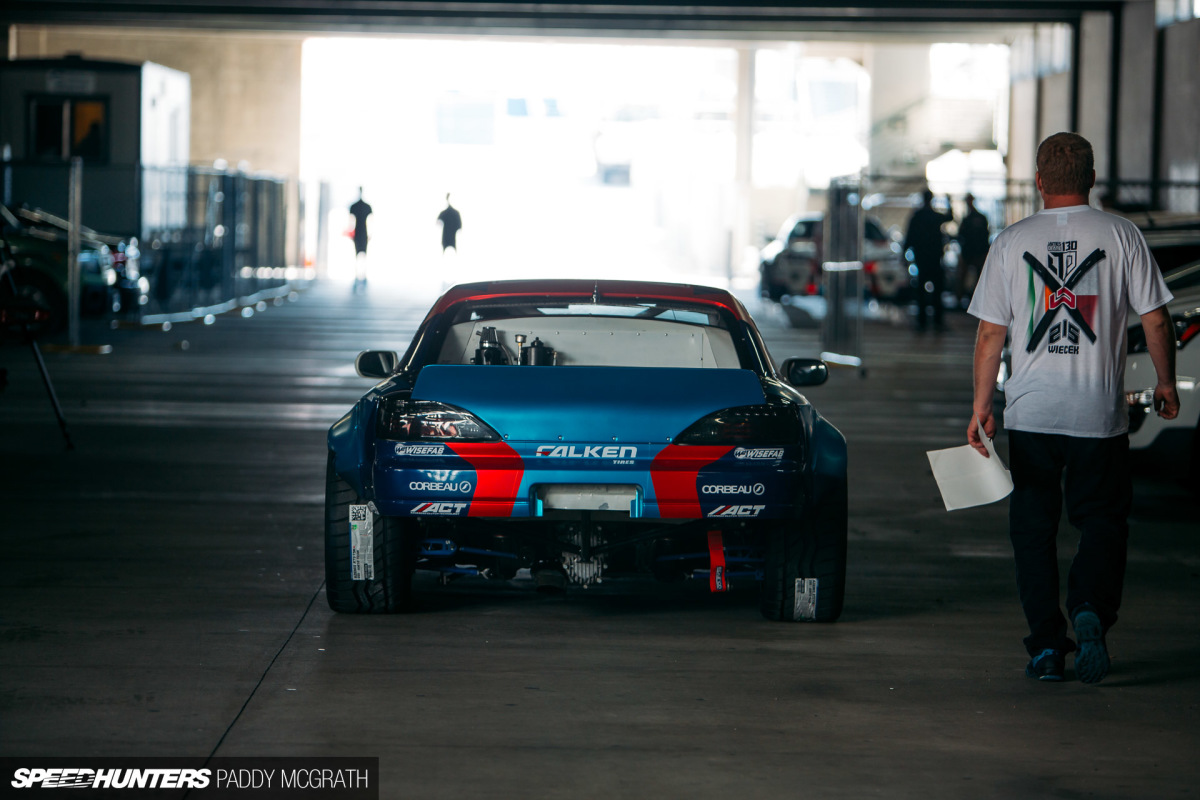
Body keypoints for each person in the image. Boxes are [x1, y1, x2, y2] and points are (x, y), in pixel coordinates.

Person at [967, 132, 1179, 684]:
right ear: (1091, 179)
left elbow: (991, 334)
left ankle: (1044, 646)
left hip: (1032, 415)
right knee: (1103, 521)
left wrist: (982, 406)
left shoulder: (1012, 242)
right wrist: (1165, 383)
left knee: (1033, 531)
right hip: (1098, 415)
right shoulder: (1121, 234)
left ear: (1039, 181)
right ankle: (1089, 609)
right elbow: (1156, 319)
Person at [904, 188, 953, 331]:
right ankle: (937, 321)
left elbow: (909, 237)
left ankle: (922, 321)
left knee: (921, 290)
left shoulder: (917, 216)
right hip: (935, 258)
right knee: (937, 291)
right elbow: (949, 217)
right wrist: (949, 202)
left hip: (921, 258)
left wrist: (905, 255)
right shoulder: (934, 216)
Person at [955, 193, 990, 306]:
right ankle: (975, 301)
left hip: (972, 252)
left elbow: (961, 236)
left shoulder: (969, 219)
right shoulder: (979, 218)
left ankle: (969, 300)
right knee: (975, 277)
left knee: (972, 277)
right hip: (975, 252)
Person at [349, 188, 372, 286]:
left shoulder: (355, 206)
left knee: (360, 254)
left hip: (360, 232)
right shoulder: (365, 206)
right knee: (360, 254)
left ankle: (361, 274)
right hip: (361, 232)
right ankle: (359, 274)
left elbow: (351, 221)